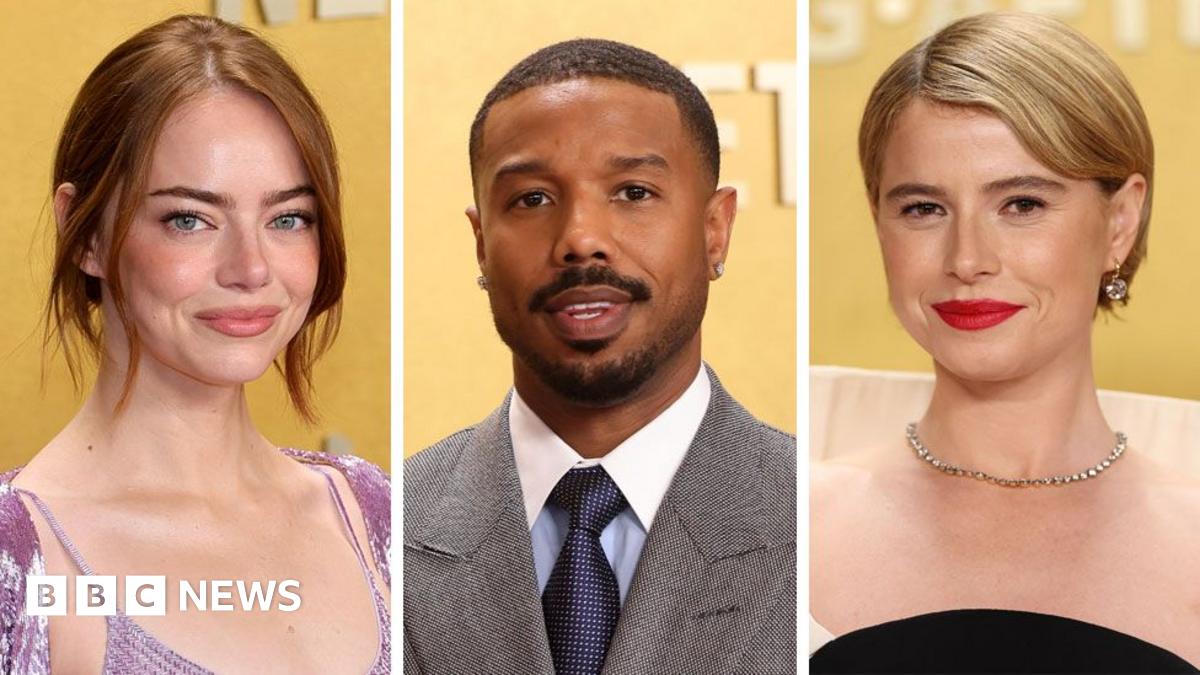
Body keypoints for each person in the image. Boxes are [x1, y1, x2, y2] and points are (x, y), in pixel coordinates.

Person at [811, 12, 1200, 672]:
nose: (967, 259)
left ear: (1119, 222)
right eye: (923, 208)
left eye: (1022, 204)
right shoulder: (788, 523)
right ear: (880, 224)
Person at [0, 15, 390, 674]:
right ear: (85, 233)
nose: (251, 269)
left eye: (288, 218)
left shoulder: (372, 512)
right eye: (190, 219)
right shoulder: (20, 564)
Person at [403, 39, 796, 674]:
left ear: (715, 230)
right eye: (532, 199)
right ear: (481, 244)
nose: (581, 239)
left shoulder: (815, 518)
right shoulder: (384, 530)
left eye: (633, 192)